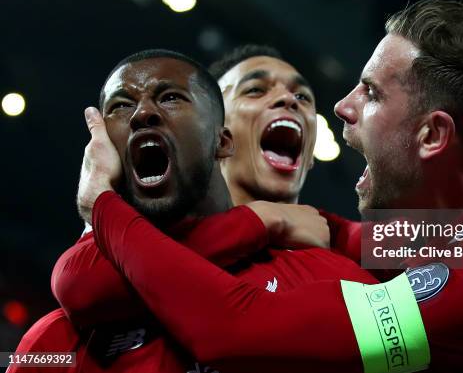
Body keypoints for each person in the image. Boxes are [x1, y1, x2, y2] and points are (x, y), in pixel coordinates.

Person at [71, 0, 463, 373]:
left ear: (431, 135)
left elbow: (235, 332)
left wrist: (103, 206)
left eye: (371, 94)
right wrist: (267, 219)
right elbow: (77, 283)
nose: (341, 106)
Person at [10, 49, 376, 373]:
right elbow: (76, 281)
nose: (286, 100)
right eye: (254, 90)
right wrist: (259, 219)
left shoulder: (338, 269)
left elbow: (423, 242)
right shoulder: (58, 336)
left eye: (302, 96)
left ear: (221, 139)